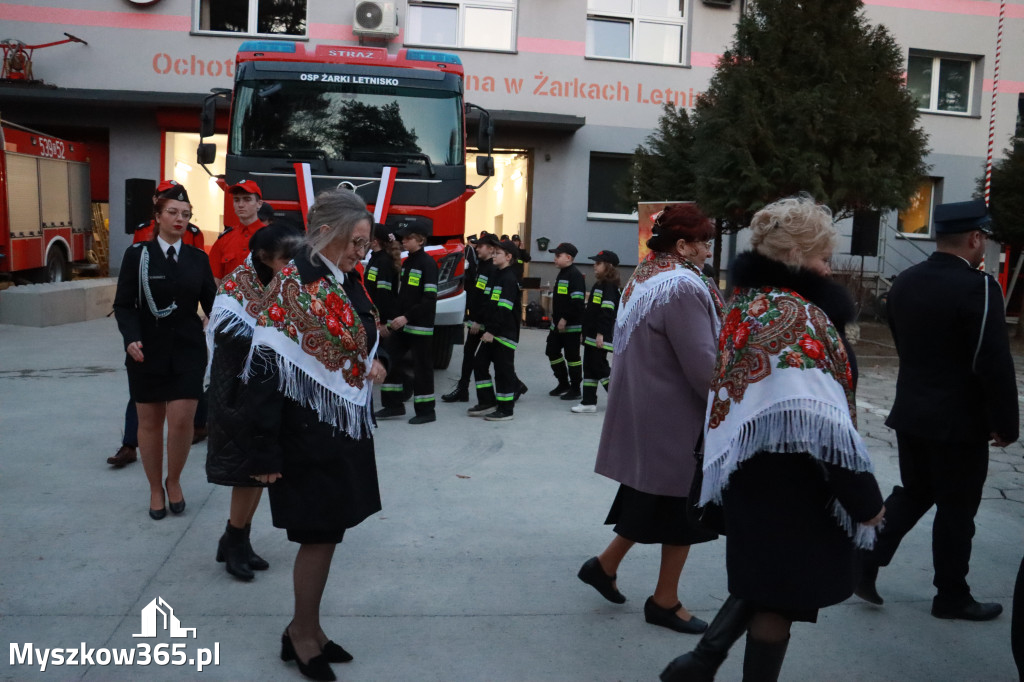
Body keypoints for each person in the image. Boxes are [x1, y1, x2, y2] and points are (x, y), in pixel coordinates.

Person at [661, 194, 884, 682]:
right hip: (793, 490)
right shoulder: (796, 318)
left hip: (752, 483)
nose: (829, 268)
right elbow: (822, 427)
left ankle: (700, 663)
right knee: (777, 604)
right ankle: (707, 665)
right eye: (824, 256)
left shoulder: (750, 304)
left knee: (768, 588)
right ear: (796, 256)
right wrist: (865, 500)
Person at [242, 188, 386, 681]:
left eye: (365, 245)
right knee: (317, 537)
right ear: (325, 233)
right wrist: (263, 449)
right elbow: (262, 370)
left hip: (340, 425)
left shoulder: (344, 279)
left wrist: (377, 361)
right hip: (303, 434)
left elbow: (364, 330)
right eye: (355, 242)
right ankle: (301, 634)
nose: (359, 253)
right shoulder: (292, 286)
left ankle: (309, 628)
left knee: (331, 533)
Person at [856, 199, 1018, 622]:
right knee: (957, 509)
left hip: (912, 412)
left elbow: (904, 343)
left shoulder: (905, 282)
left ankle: (865, 560)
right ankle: (951, 595)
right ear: (975, 237)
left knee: (915, 492)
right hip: (959, 422)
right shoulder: (980, 288)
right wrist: (1005, 422)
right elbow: (992, 361)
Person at [578, 204, 723, 636]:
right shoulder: (681, 286)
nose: (708, 253)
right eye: (704, 244)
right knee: (684, 510)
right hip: (674, 415)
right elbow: (701, 364)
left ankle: (604, 567)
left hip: (650, 409)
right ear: (683, 245)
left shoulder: (648, 275)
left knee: (651, 499)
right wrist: (731, 400)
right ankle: (665, 601)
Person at [206, 221, 304, 581]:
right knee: (247, 474)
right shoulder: (237, 291)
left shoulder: (276, 282)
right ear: (264, 258)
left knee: (262, 472)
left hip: (264, 391)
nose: (293, 265)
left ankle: (239, 539)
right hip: (238, 392)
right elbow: (234, 345)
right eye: (286, 258)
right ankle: (233, 539)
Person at [113, 184, 216, 519]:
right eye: (172, 212)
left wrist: (217, 322)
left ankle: (174, 480)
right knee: (150, 422)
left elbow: (213, 304)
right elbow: (124, 305)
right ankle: (155, 488)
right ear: (157, 217)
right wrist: (130, 337)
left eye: (185, 215)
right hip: (147, 349)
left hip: (187, 350)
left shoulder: (198, 259)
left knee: (183, 419)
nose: (180, 219)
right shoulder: (137, 256)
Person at [376, 223, 439, 424]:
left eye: (408, 238)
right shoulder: (409, 262)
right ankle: (393, 405)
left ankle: (426, 411)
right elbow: (403, 296)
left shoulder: (428, 264)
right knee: (390, 359)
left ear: (420, 240)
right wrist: (395, 318)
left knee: (422, 369)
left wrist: (407, 317)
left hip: (419, 325)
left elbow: (429, 299)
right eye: (402, 238)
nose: (403, 241)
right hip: (403, 324)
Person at [467, 238, 521, 421]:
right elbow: (490, 305)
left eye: (498, 253)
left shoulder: (509, 279)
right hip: (492, 331)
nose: (494, 255)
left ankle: (506, 409)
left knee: (503, 371)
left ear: (508, 256)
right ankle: (487, 400)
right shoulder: (497, 275)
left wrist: (492, 331)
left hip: (503, 334)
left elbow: (504, 309)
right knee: (479, 363)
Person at [443, 233, 499, 403]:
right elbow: (476, 294)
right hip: (475, 319)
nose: (477, 248)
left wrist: (479, 321)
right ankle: (463, 389)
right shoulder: (482, 265)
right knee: (469, 354)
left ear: (490, 249)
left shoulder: (492, 269)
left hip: (482, 322)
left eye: (480, 246)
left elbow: (487, 300)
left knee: (494, 357)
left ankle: (514, 386)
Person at [571, 250, 621, 414]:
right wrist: (585, 332)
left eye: (598, 263)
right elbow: (592, 311)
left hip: (599, 336)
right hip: (591, 335)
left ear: (609, 266)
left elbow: (607, 311)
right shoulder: (599, 284)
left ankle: (621, 399)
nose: (594, 265)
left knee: (599, 367)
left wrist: (601, 333)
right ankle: (588, 402)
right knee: (590, 368)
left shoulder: (609, 286)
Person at [546, 242, 585, 400]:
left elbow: (577, 302)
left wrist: (564, 318)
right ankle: (563, 383)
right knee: (552, 351)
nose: (554, 259)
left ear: (568, 257)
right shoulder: (562, 273)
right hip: (557, 324)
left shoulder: (574, 275)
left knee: (572, 357)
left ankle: (575, 388)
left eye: (558, 256)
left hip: (571, 326)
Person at [209, 179, 268, 283]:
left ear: (259, 204)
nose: (240, 204)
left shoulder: (271, 236)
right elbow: (215, 280)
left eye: (247, 199)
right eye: (236, 200)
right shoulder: (224, 240)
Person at [364, 224, 401, 330]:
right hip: (374, 315)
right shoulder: (375, 258)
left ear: (375, 242)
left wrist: (383, 321)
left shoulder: (384, 261)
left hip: (382, 320)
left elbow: (384, 293)